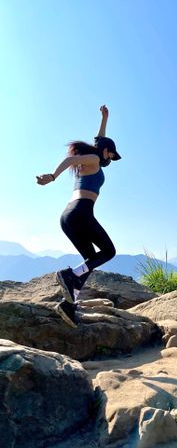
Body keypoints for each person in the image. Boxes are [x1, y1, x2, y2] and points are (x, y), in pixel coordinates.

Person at [36, 105, 121, 328]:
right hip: (81, 213)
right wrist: (53, 176)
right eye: (111, 154)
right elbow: (70, 161)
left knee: (89, 261)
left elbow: (100, 140)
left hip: (68, 216)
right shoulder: (93, 157)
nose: (111, 158)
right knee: (109, 252)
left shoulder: (95, 154)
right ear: (105, 151)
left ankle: (68, 304)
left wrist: (104, 119)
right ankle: (69, 275)